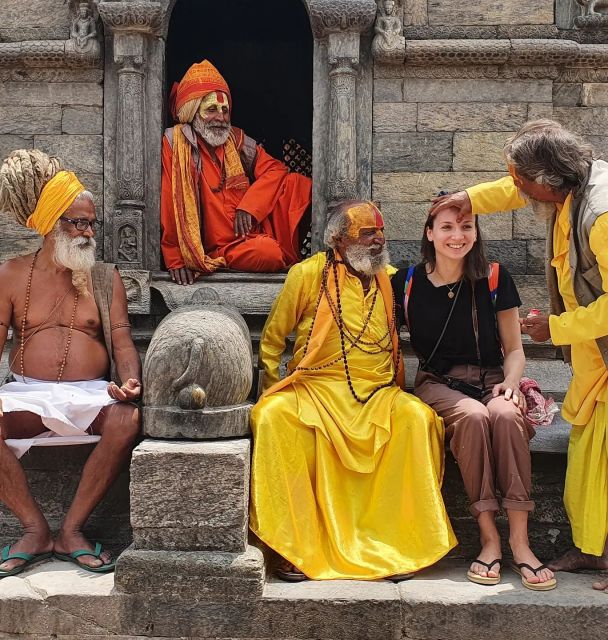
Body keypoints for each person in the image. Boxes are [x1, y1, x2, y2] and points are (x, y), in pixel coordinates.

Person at [429, 119, 608, 592]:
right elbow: (510, 192)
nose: (518, 190)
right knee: (591, 459)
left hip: (597, 346)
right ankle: (596, 552)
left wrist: (556, 328)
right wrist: (467, 199)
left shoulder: (601, 215)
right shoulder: (572, 190)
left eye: (522, 180)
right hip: (595, 359)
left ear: (547, 180)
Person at [249, 200, 457, 581]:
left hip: (377, 393)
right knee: (271, 417)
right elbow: (273, 340)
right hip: (315, 388)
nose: (378, 240)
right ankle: (292, 546)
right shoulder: (307, 274)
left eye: (381, 232)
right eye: (367, 233)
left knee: (418, 419)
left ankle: (396, 547)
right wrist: (270, 388)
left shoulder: (392, 279)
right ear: (337, 239)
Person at [0, 149, 141, 577]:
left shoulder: (105, 277)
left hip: (89, 394)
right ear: (50, 225)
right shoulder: (8, 275)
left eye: (90, 223)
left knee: (126, 419)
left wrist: (131, 381)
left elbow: (121, 340)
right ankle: (35, 531)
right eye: (76, 222)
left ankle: (72, 531)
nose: (86, 232)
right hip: (29, 391)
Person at [391, 206, 556, 590]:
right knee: (473, 416)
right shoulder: (406, 283)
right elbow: (382, 339)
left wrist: (512, 385)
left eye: (466, 226)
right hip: (439, 383)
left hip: (494, 378)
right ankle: (488, 538)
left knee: (504, 415)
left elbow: (515, 349)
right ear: (429, 233)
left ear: (476, 233)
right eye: (446, 227)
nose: (457, 235)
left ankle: (520, 540)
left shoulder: (495, 277)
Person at [160, 59, 312, 285]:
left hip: (250, 230)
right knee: (268, 252)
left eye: (224, 110)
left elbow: (275, 169)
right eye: (211, 110)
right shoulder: (177, 143)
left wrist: (250, 207)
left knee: (298, 184)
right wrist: (177, 259)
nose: (220, 118)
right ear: (192, 112)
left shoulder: (236, 139)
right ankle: (217, 259)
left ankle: (285, 252)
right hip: (218, 245)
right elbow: (171, 202)